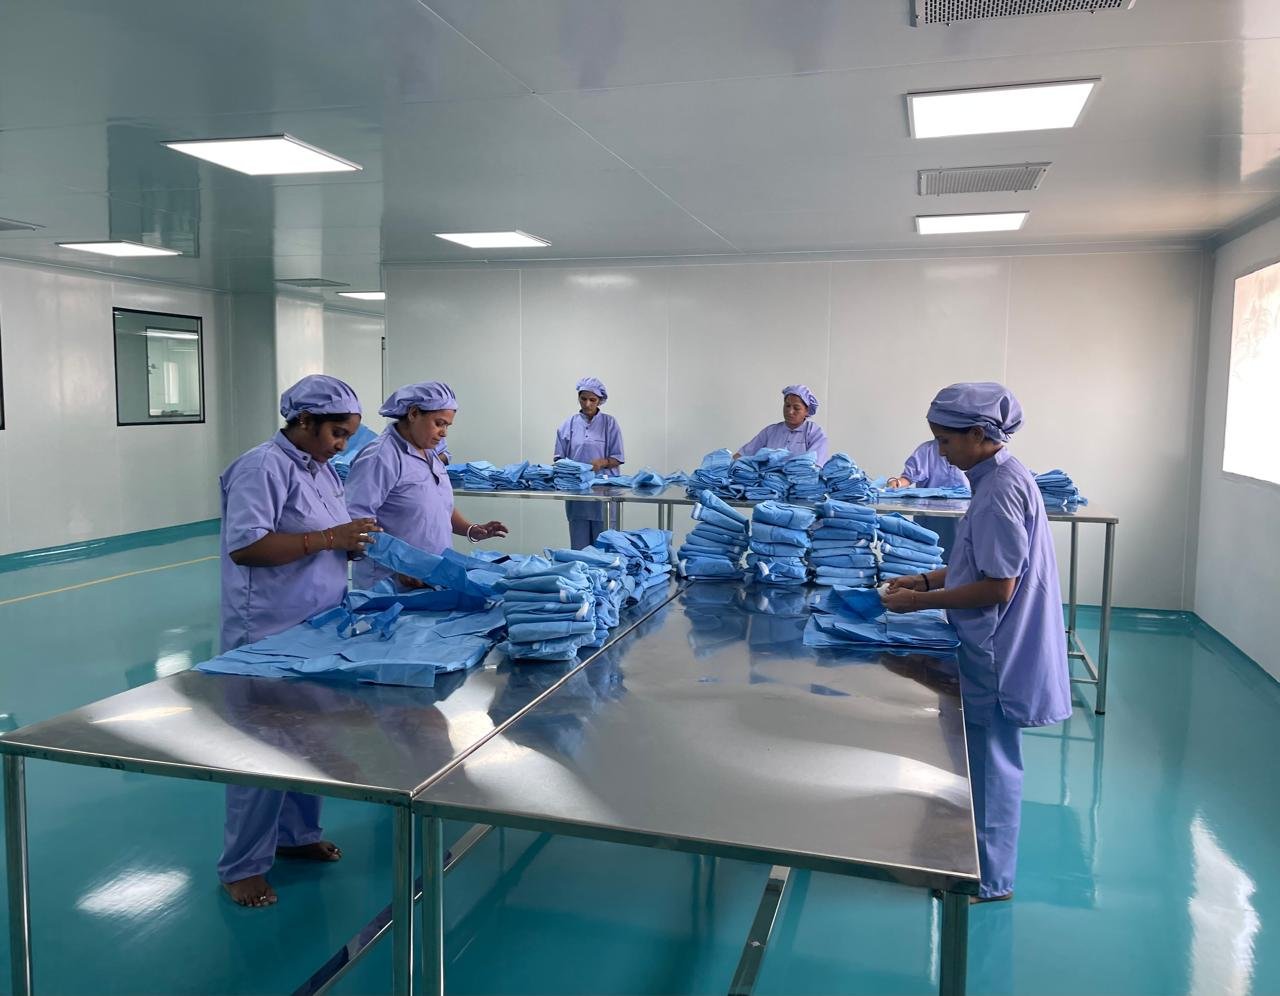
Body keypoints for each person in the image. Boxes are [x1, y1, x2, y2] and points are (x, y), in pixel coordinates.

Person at [881, 382, 1070, 904]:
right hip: (989, 645)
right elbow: (976, 563)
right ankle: (972, 859)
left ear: (980, 435)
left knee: (990, 768)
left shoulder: (998, 495)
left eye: (944, 442)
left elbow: (997, 585)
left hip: (996, 652)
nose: (939, 452)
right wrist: (925, 580)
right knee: (980, 761)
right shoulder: (1000, 479)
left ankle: (987, 880)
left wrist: (917, 604)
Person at [217, 374, 381, 908]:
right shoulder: (262, 467)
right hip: (267, 625)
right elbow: (248, 546)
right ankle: (241, 866)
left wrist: (349, 544)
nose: (342, 444)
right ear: (304, 420)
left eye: (349, 436)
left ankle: (297, 837)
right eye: (336, 432)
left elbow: (325, 534)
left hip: (316, 623)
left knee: (309, 735)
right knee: (260, 748)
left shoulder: (322, 470)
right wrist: (330, 538)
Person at [345, 381, 507, 588]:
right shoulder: (380, 457)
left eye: (447, 426)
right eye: (439, 423)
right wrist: (403, 564)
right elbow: (356, 523)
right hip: (390, 582)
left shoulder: (430, 454)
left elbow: (437, 505)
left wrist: (471, 529)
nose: (444, 432)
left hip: (432, 574)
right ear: (413, 414)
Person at [554, 377, 625, 549]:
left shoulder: (610, 423)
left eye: (592, 400)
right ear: (578, 398)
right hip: (578, 494)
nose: (587, 404)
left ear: (600, 400)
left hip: (604, 493)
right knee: (579, 550)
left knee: (605, 549)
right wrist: (574, 470)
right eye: (583, 399)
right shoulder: (568, 424)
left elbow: (618, 457)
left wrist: (602, 463)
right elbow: (558, 459)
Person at [885, 439, 971, 560]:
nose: (942, 451)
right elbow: (909, 477)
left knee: (961, 558)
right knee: (929, 557)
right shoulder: (928, 450)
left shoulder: (970, 449)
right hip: (931, 517)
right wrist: (897, 483)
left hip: (963, 517)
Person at [735, 385, 829, 463]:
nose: (790, 411)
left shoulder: (814, 433)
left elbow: (814, 466)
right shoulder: (770, 431)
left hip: (801, 484)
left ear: (807, 411)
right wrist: (725, 467)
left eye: (796, 408)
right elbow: (743, 454)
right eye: (787, 406)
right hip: (770, 484)